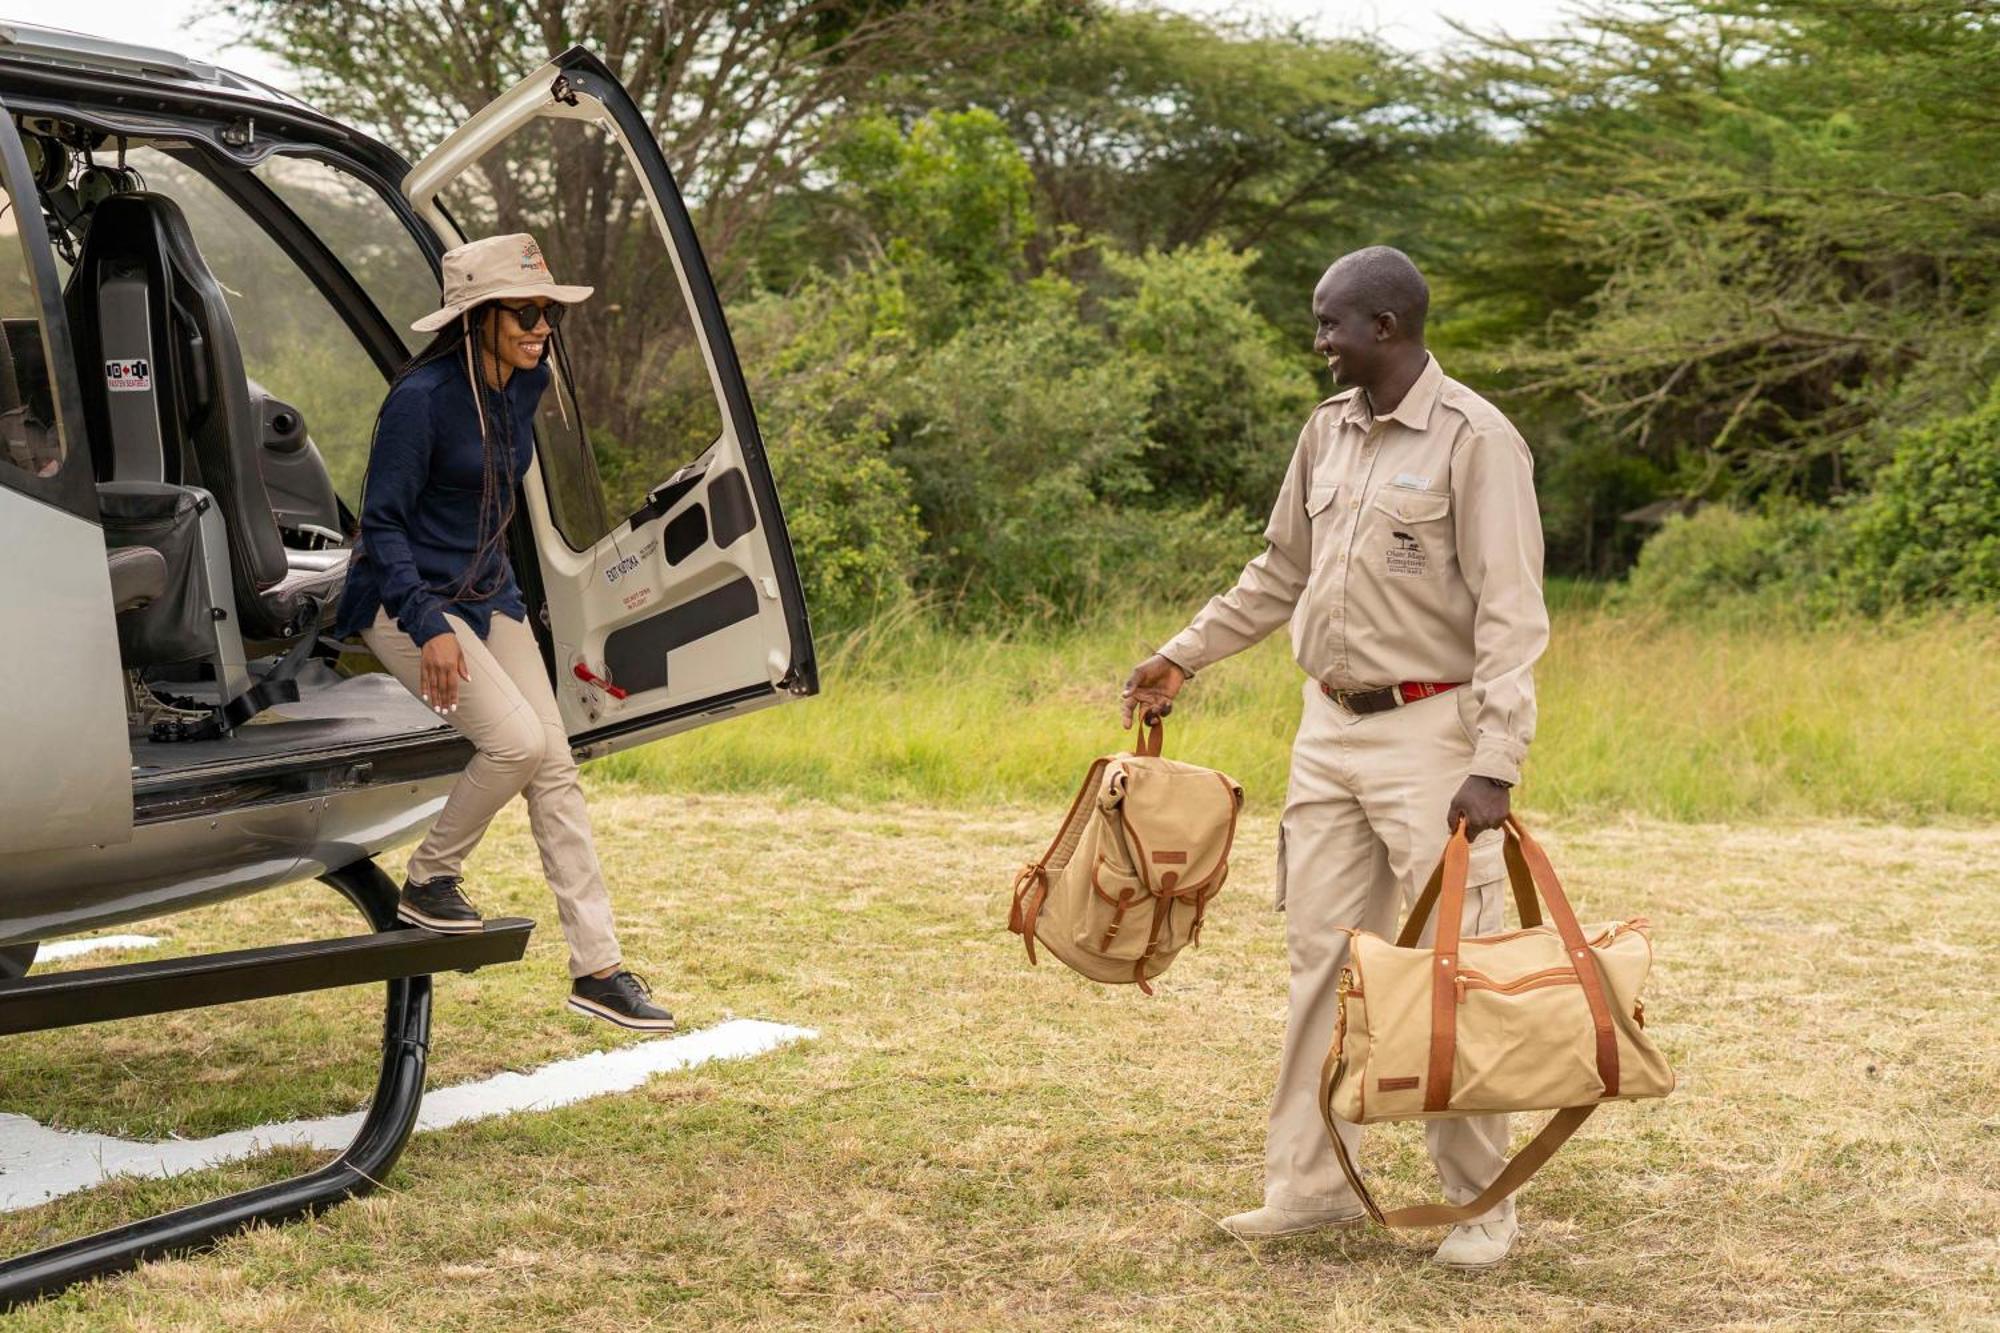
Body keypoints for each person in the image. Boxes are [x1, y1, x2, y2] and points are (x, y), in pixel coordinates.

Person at [1121, 246, 1548, 1269]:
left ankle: (1479, 1203)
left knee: (1450, 968)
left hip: (1432, 737)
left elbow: (1510, 612)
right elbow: (1277, 572)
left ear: (1385, 330)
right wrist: (1183, 654)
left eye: (1330, 326)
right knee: (1321, 958)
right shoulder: (1325, 435)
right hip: (1326, 732)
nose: (1317, 343)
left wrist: (1494, 759)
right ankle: (1310, 1187)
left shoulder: (1474, 441)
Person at [331, 232, 675, 1032]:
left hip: (486, 594)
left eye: (548, 311)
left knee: (555, 765)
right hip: (402, 597)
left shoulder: (527, 382)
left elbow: (494, 508)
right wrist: (429, 627)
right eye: (525, 311)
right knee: (516, 744)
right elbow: (381, 529)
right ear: (478, 315)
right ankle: (428, 880)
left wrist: (509, 606)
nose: (541, 325)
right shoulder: (419, 402)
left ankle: (599, 967)